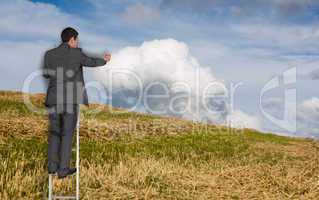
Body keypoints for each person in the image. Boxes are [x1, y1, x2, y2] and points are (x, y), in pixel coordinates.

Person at [42, 27, 111, 178]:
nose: (77, 42)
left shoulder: (49, 54)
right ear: (72, 39)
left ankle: (52, 166)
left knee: (54, 133)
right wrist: (104, 61)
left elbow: (46, 74)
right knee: (67, 134)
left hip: (53, 100)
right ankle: (63, 169)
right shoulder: (77, 53)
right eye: (76, 40)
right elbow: (91, 62)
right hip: (70, 100)